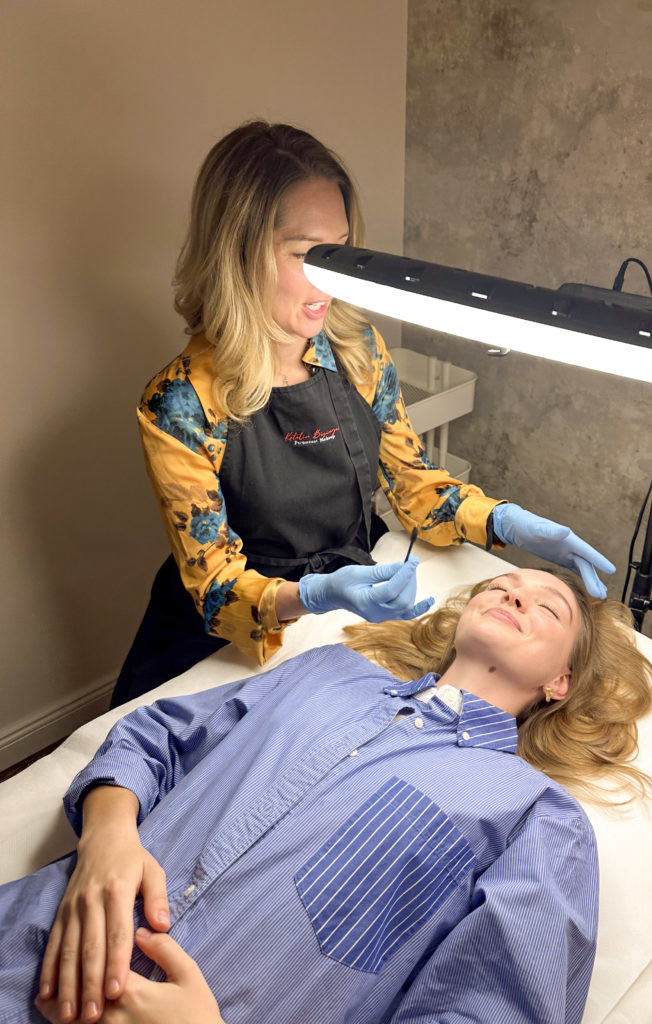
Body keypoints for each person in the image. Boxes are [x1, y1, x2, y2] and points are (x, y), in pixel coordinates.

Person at [0, 568, 652, 1024]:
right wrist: (108, 834)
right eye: (501, 585)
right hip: (24, 945)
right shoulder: (327, 670)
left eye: (547, 608)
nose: (514, 596)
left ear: (560, 684)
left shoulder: (536, 816)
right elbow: (157, 738)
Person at [111, 119, 616, 705]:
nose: (330, 279)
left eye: (339, 252)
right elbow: (217, 590)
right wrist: (316, 595)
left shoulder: (357, 351)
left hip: (349, 596)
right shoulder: (182, 402)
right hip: (227, 638)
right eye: (304, 254)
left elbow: (417, 491)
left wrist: (506, 521)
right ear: (237, 253)